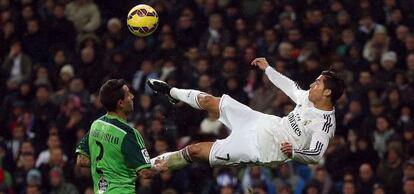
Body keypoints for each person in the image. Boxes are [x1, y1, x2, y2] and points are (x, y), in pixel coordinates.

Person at [146, 57, 345, 169]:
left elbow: (316, 154)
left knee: (195, 151)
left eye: (318, 82)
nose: (312, 83)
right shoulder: (308, 98)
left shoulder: (324, 125)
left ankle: (148, 167)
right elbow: (290, 86)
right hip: (261, 121)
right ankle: (171, 91)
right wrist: (268, 69)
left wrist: (294, 152)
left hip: (261, 148)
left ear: (327, 92)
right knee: (209, 101)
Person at [75, 79, 167, 193]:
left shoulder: (95, 125)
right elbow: (145, 172)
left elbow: (81, 160)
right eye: (128, 95)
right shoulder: (128, 133)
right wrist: (159, 168)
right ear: (121, 103)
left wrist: (109, 164)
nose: (132, 97)